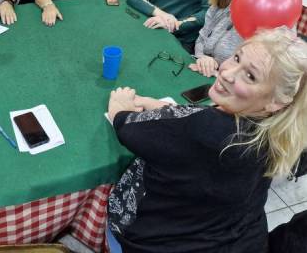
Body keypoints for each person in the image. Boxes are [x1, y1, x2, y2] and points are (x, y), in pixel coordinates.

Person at [106, 27, 307, 253]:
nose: (227, 73)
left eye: (250, 76)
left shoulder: (209, 131)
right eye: (237, 57)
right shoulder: (280, 128)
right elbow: (190, 118)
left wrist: (120, 110)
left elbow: (128, 128)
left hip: (161, 242)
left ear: (275, 102)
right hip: (240, 238)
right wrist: (163, 106)